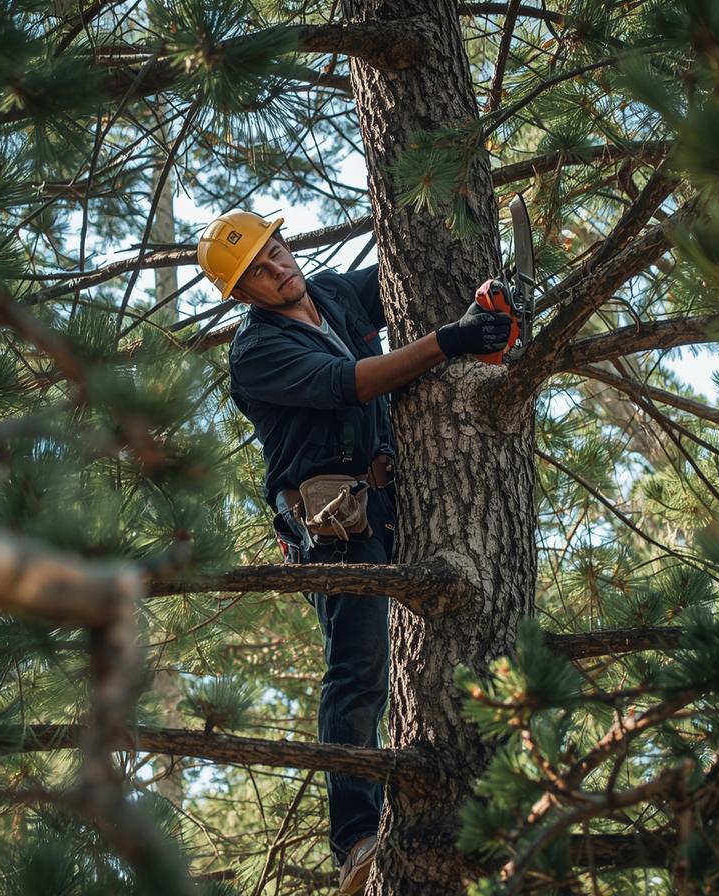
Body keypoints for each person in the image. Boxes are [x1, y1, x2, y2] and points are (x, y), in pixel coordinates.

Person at [197, 210, 510, 895]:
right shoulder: (257, 351)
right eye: (256, 270)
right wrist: (451, 339)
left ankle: (488, 810)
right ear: (241, 294)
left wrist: (489, 290)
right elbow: (353, 382)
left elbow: (413, 266)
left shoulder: (335, 294)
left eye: (275, 251)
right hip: (335, 532)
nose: (277, 268)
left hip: (396, 511)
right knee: (360, 675)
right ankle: (358, 839)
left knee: (456, 651)